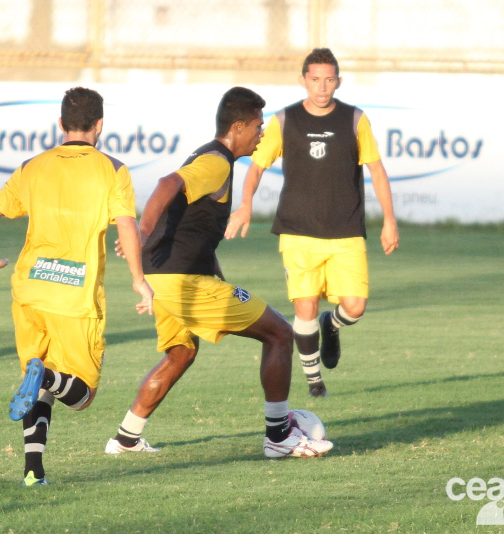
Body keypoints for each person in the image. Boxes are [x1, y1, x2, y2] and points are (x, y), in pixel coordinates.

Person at [105, 87, 333, 459]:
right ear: (238, 127)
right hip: (182, 282)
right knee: (279, 333)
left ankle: (126, 438)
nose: (261, 135)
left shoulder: (210, 161)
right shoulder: (217, 163)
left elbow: (194, 234)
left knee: (180, 353)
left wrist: (220, 280)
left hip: (162, 278)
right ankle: (279, 436)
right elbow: (167, 184)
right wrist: (142, 232)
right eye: (258, 126)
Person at [0, 87, 154, 487]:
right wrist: (139, 281)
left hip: (29, 292)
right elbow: (126, 225)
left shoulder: (33, 166)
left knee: (36, 380)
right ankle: (47, 378)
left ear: (60, 125)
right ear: (100, 125)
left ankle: (32, 471)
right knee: (82, 394)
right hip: (75, 297)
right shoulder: (112, 169)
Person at [225, 48, 399, 398]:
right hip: (297, 231)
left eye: (329, 79)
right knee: (304, 305)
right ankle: (314, 381)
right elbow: (256, 166)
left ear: (339, 81)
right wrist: (244, 205)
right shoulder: (285, 120)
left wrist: (389, 220)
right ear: (304, 80)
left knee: (355, 306)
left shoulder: (354, 119)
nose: (322, 87)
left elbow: (376, 169)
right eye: (316, 79)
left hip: (346, 231)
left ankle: (331, 325)